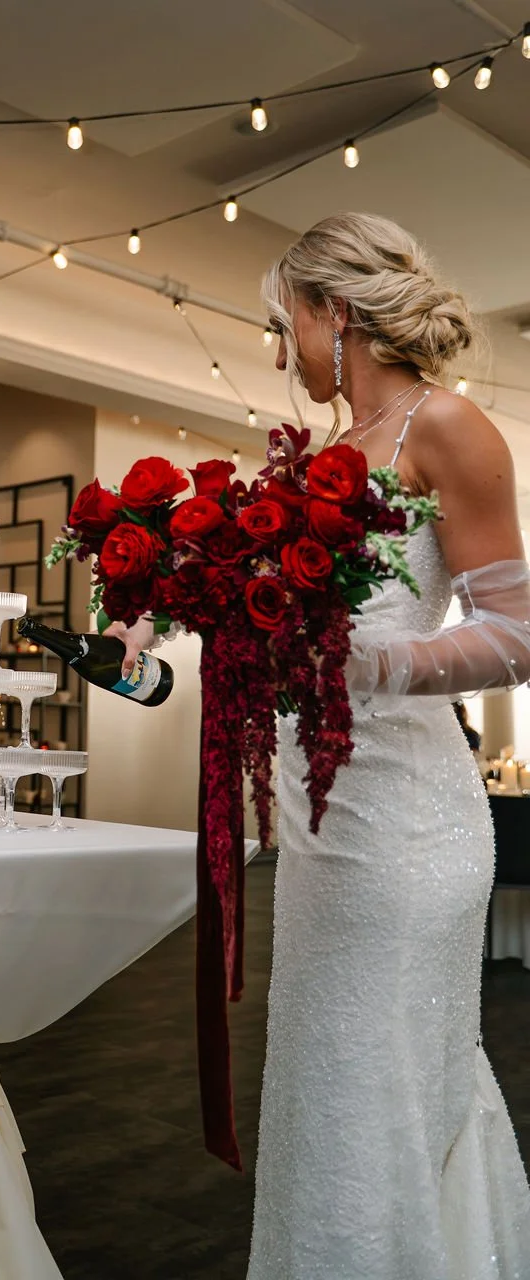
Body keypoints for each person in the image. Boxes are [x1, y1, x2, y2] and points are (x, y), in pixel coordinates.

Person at [110, 213, 530, 1276]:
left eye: (281, 323)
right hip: (318, 819)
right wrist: (160, 611)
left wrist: (371, 668)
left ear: (333, 313)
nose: (278, 349)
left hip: (407, 819)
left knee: (371, 1069)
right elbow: (271, 616)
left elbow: (517, 636)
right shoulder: (320, 458)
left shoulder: (452, 430)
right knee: (322, 1073)